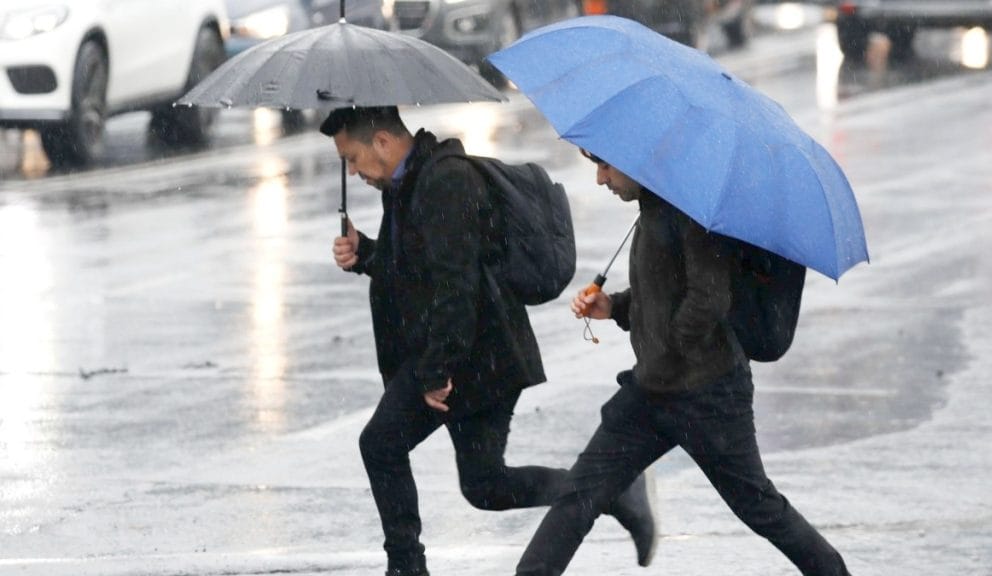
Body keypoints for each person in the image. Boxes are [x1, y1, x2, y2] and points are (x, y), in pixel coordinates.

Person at [322, 106, 655, 576]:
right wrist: (367, 255)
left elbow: (456, 286)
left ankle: (406, 567)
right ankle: (614, 491)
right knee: (486, 486)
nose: (353, 172)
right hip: (466, 350)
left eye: (352, 159)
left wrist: (436, 371)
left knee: (380, 445)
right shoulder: (405, 184)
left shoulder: (445, 181)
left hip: (475, 355)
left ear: (382, 142)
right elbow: (416, 270)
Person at [514, 150, 852, 576]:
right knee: (580, 496)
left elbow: (710, 297)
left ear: (634, 160)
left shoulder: (689, 211)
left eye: (606, 166)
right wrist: (613, 306)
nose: (600, 179)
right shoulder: (653, 208)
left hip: (709, 395)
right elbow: (664, 293)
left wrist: (672, 347)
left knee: (758, 506)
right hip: (651, 393)